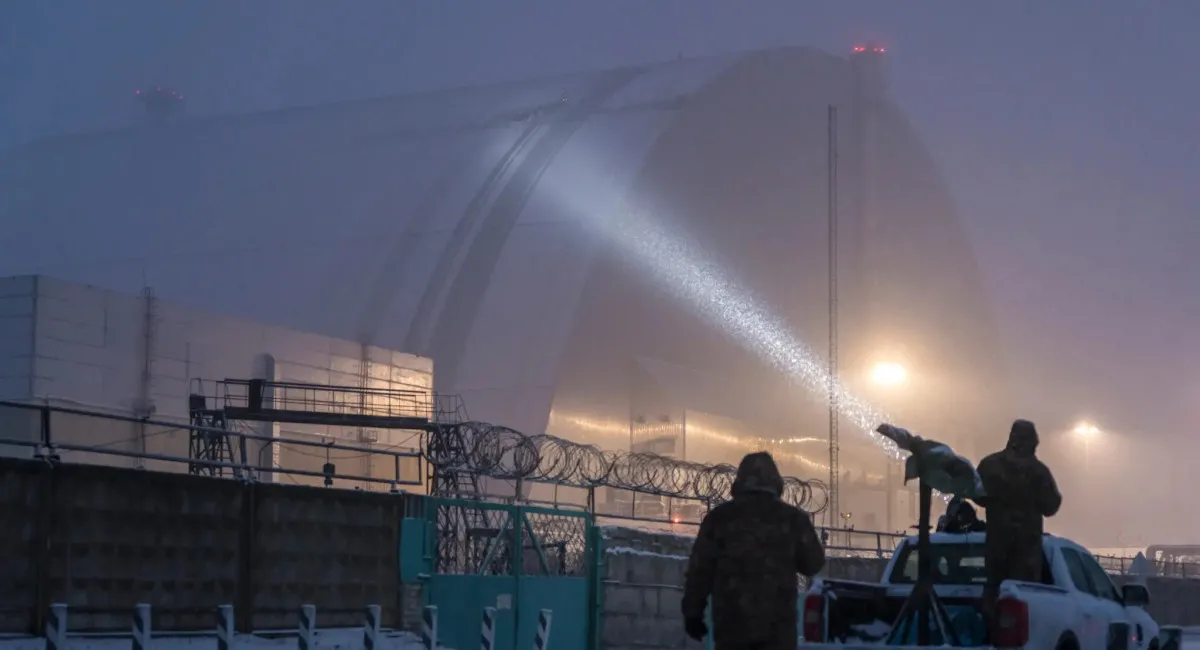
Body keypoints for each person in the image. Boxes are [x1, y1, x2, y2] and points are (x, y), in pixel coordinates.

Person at [681, 452, 826, 650]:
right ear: (775, 481)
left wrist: (693, 613)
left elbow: (700, 570)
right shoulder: (792, 520)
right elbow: (813, 564)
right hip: (777, 631)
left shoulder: (720, 519)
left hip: (731, 627)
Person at [974, 419, 1062, 628]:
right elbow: (1051, 506)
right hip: (1026, 554)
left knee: (994, 599)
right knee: (1024, 609)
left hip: (998, 549)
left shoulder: (990, 465)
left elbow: (976, 494)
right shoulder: (1039, 472)